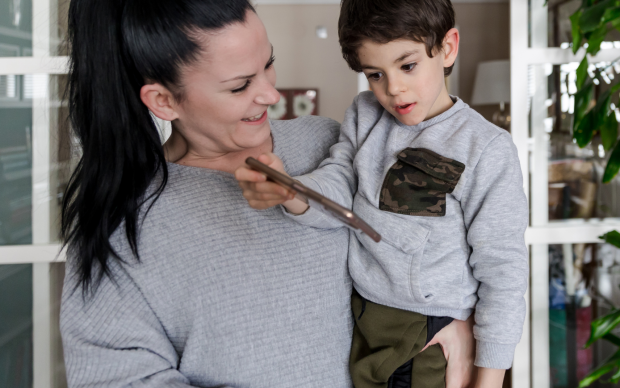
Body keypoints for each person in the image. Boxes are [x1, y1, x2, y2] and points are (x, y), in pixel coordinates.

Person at [59, 0, 476, 387]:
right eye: (240, 85)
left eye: (268, 64)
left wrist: (449, 319)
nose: (272, 95)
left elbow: (437, 245)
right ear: (164, 101)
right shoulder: (122, 227)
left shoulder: (329, 145)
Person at [236, 0, 529, 387]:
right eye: (375, 74)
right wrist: (291, 192)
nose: (393, 89)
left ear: (448, 47)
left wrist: (489, 379)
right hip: (363, 319)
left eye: (407, 66)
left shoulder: (486, 148)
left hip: (427, 335)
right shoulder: (365, 114)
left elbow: (503, 271)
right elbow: (339, 182)